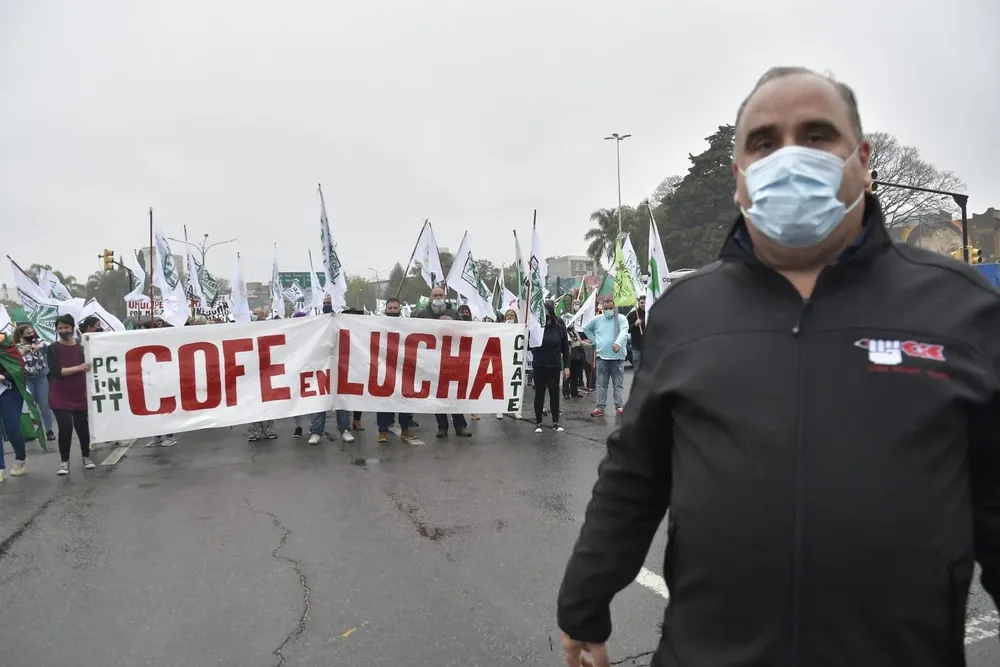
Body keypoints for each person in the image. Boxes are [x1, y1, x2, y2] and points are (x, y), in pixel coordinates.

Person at [557, 66, 1000, 667]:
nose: (790, 157)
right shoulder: (685, 313)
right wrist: (584, 603)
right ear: (739, 176)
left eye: (817, 136)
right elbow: (634, 475)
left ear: (863, 160)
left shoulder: (962, 308)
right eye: (764, 142)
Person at [415, 286, 472, 438]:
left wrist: (453, 323)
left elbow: (464, 331)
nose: (438, 298)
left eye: (441, 295)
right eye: (435, 295)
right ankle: (442, 427)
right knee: (437, 395)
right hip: (431, 360)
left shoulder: (453, 312)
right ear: (430, 297)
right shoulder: (421, 314)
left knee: (454, 394)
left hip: (451, 360)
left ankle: (460, 426)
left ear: (445, 296)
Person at [46, 314, 94, 474]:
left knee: (82, 427)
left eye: (66, 327)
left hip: (80, 393)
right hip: (60, 395)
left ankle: (86, 457)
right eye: (60, 328)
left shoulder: (83, 347)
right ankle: (64, 462)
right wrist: (79, 367)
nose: (63, 330)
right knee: (65, 427)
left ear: (72, 328)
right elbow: (56, 372)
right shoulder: (52, 348)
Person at [0, 330, 46, 480]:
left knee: (12, 429)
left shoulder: (4, 342)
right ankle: (0, 468)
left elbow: (19, 366)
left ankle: (21, 458)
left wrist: (4, 376)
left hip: (9, 390)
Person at [580, 296, 628, 417]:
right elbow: (586, 328)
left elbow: (624, 331)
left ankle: (619, 407)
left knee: (618, 384)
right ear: (602, 308)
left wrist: (618, 343)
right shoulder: (597, 319)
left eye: (611, 308)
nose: (608, 310)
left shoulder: (621, 319)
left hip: (617, 358)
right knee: (601, 384)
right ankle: (599, 407)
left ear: (614, 308)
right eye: (606, 308)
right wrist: (595, 341)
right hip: (602, 357)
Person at [376, 298, 415, 442]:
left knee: (405, 400)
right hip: (385, 368)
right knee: (384, 401)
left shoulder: (408, 325)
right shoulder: (379, 325)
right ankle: (382, 431)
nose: (392, 310)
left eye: (395, 308)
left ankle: (405, 429)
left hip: (403, 368)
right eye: (390, 308)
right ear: (385, 309)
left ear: (400, 309)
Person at [530, 300, 570, 433]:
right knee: (539, 394)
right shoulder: (535, 327)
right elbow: (529, 345)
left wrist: (567, 366)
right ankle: (538, 422)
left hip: (554, 365)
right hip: (539, 365)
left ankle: (555, 422)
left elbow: (565, 348)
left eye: (546, 310)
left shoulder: (559, 327)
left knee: (554, 393)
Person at [13, 324, 55, 441]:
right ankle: (36, 431)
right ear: (21, 335)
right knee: (31, 406)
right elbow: (13, 360)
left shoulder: (37, 341)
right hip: (27, 379)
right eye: (28, 334)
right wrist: (22, 352)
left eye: (32, 332)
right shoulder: (16, 347)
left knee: (44, 404)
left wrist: (40, 345)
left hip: (41, 377)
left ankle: (49, 430)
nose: (31, 335)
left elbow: (48, 344)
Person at [497, 308, 520, 419]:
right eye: (507, 315)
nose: (509, 317)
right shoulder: (501, 328)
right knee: (502, 385)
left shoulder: (520, 329)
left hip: (515, 360)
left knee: (514, 386)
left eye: (512, 315)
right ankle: (500, 409)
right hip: (503, 359)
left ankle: (514, 409)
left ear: (515, 318)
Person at [565, 323, 586, 399]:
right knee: (567, 375)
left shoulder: (575, 331)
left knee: (575, 375)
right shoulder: (564, 332)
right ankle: (566, 392)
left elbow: (579, 341)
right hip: (569, 354)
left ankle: (574, 392)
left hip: (577, 355)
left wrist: (589, 345)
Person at [626, 295, 646, 375]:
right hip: (637, 347)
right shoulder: (633, 315)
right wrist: (634, 324)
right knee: (637, 371)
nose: (643, 304)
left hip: (650, 348)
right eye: (641, 303)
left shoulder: (652, 312)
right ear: (638, 303)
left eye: (645, 303)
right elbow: (626, 329)